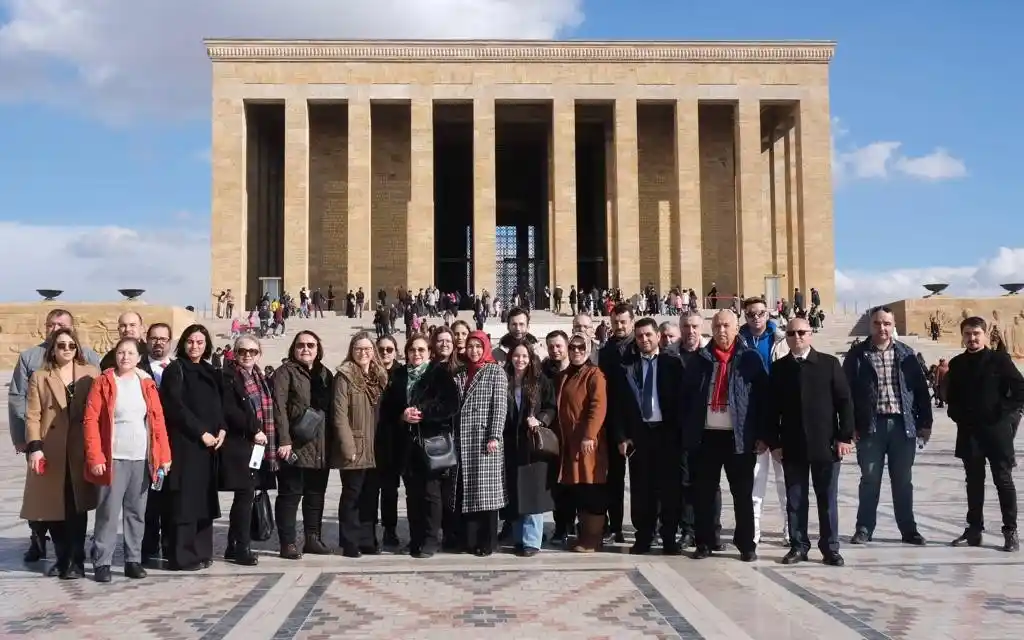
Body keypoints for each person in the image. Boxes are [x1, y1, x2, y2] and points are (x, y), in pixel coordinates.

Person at [10, 309, 100, 564]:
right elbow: (23, 404)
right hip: (46, 444)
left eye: (70, 340)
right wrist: (28, 442)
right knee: (45, 501)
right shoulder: (31, 360)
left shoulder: (91, 365)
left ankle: (74, 557)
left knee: (75, 503)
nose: (66, 347)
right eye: (53, 326)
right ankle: (42, 542)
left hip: (78, 447)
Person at [761, 317, 854, 566]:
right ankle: (798, 545)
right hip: (793, 446)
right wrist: (775, 443)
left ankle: (830, 548)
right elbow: (771, 410)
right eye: (791, 333)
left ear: (811, 334)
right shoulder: (780, 369)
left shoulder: (829, 364)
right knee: (796, 500)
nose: (797, 337)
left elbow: (844, 402)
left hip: (826, 444)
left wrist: (844, 437)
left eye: (802, 332)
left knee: (827, 499)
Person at [83, 337, 172, 581]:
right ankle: (102, 561)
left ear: (139, 357)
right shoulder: (104, 383)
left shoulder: (146, 384)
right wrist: (96, 456)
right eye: (121, 352)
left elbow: (158, 422)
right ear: (115, 355)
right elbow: (91, 422)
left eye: (130, 353)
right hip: (113, 457)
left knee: (136, 512)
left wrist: (163, 455)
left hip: (141, 458)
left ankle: (133, 559)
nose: (125, 357)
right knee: (108, 513)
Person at [680, 310, 766, 562]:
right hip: (706, 436)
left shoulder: (750, 359)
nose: (721, 330)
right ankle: (704, 541)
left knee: (742, 493)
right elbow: (685, 398)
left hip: (738, 437)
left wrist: (761, 435)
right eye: (717, 326)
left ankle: (746, 543)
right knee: (704, 493)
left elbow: (762, 399)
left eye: (726, 325)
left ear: (737, 327)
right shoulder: (700, 359)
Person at [843, 306, 932, 546]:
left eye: (887, 324)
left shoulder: (907, 354)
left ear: (893, 326)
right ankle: (864, 528)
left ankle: (908, 529)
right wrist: (848, 427)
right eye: (877, 323)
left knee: (903, 479)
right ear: (870, 325)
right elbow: (845, 394)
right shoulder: (858, 355)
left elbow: (921, 391)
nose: (882, 328)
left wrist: (926, 423)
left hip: (903, 426)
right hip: (871, 427)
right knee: (870, 478)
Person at [944, 316, 1024, 552]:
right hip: (969, 432)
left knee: (1003, 480)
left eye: (976, 333)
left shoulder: (999, 360)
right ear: (962, 336)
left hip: (997, 431)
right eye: (968, 334)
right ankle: (974, 529)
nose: (972, 338)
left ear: (985, 335)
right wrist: (956, 414)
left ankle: (1010, 530)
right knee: (974, 482)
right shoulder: (957, 363)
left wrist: (1006, 413)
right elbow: (952, 396)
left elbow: (1020, 388)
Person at [379, 334, 460, 558]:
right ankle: (415, 538)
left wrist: (425, 413)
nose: (417, 354)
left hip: (431, 442)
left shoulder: (439, 373)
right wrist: (402, 414)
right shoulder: (398, 375)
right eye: (413, 350)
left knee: (431, 494)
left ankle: (431, 539)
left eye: (421, 350)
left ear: (429, 352)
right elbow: (387, 408)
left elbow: (451, 405)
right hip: (406, 444)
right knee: (412, 495)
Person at [612, 317, 684, 555]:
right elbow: (619, 405)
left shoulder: (673, 363)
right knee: (642, 489)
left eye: (648, 335)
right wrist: (622, 436)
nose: (644, 340)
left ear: (657, 337)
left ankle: (669, 537)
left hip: (666, 433)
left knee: (669, 489)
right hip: (639, 435)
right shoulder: (627, 366)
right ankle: (644, 536)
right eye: (640, 336)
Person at [159, 324, 225, 571]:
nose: (195, 346)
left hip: (209, 447)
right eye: (190, 341)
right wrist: (201, 433)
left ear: (206, 344)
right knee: (185, 501)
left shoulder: (210, 370)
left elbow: (219, 405)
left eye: (199, 342)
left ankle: (202, 551)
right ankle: (182, 556)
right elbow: (175, 407)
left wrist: (222, 429)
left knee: (204, 500)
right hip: (186, 445)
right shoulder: (176, 370)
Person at [272, 331, 334, 559]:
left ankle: (312, 538)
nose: (306, 349)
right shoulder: (285, 372)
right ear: (293, 348)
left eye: (311, 345)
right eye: (301, 345)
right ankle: (287, 542)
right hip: (294, 445)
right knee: (290, 495)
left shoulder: (325, 374)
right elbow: (278, 407)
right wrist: (285, 440)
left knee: (316, 495)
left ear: (318, 349)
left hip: (320, 446)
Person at [219, 335, 276, 566]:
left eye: (252, 351)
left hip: (257, 445)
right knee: (244, 497)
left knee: (246, 496)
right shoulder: (229, 376)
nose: (248, 355)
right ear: (235, 353)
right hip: (241, 443)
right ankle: (242, 547)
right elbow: (230, 410)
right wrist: (254, 429)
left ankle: (233, 545)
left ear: (259, 354)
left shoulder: (260, 377)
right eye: (243, 351)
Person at [332, 332, 389, 557]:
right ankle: (350, 542)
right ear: (351, 351)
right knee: (352, 496)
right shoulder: (344, 376)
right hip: (356, 446)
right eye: (358, 349)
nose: (363, 353)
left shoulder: (379, 375)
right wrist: (348, 448)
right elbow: (339, 415)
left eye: (367, 349)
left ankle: (368, 539)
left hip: (376, 446)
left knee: (370, 496)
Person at [453, 331, 510, 556]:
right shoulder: (461, 372)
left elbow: (499, 406)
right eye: (471, 346)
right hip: (463, 439)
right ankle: (469, 540)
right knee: (467, 491)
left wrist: (494, 435)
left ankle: (487, 542)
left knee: (486, 493)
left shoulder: (495, 371)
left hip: (485, 440)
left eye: (478, 346)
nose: (474, 350)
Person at [556, 332, 609, 553]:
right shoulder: (567, 374)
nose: (576, 351)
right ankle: (583, 535)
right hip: (570, 442)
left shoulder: (594, 374)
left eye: (581, 347)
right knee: (578, 488)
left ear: (588, 349)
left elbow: (598, 406)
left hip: (587, 443)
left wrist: (589, 435)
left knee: (591, 488)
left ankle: (593, 538)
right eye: (573, 347)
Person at [503, 341, 557, 557]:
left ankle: (532, 541)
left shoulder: (540, 380)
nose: (520, 360)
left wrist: (541, 420)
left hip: (532, 445)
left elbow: (551, 406)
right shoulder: (504, 380)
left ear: (531, 358)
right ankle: (518, 538)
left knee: (532, 494)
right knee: (515, 492)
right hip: (511, 445)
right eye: (516, 356)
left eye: (524, 356)